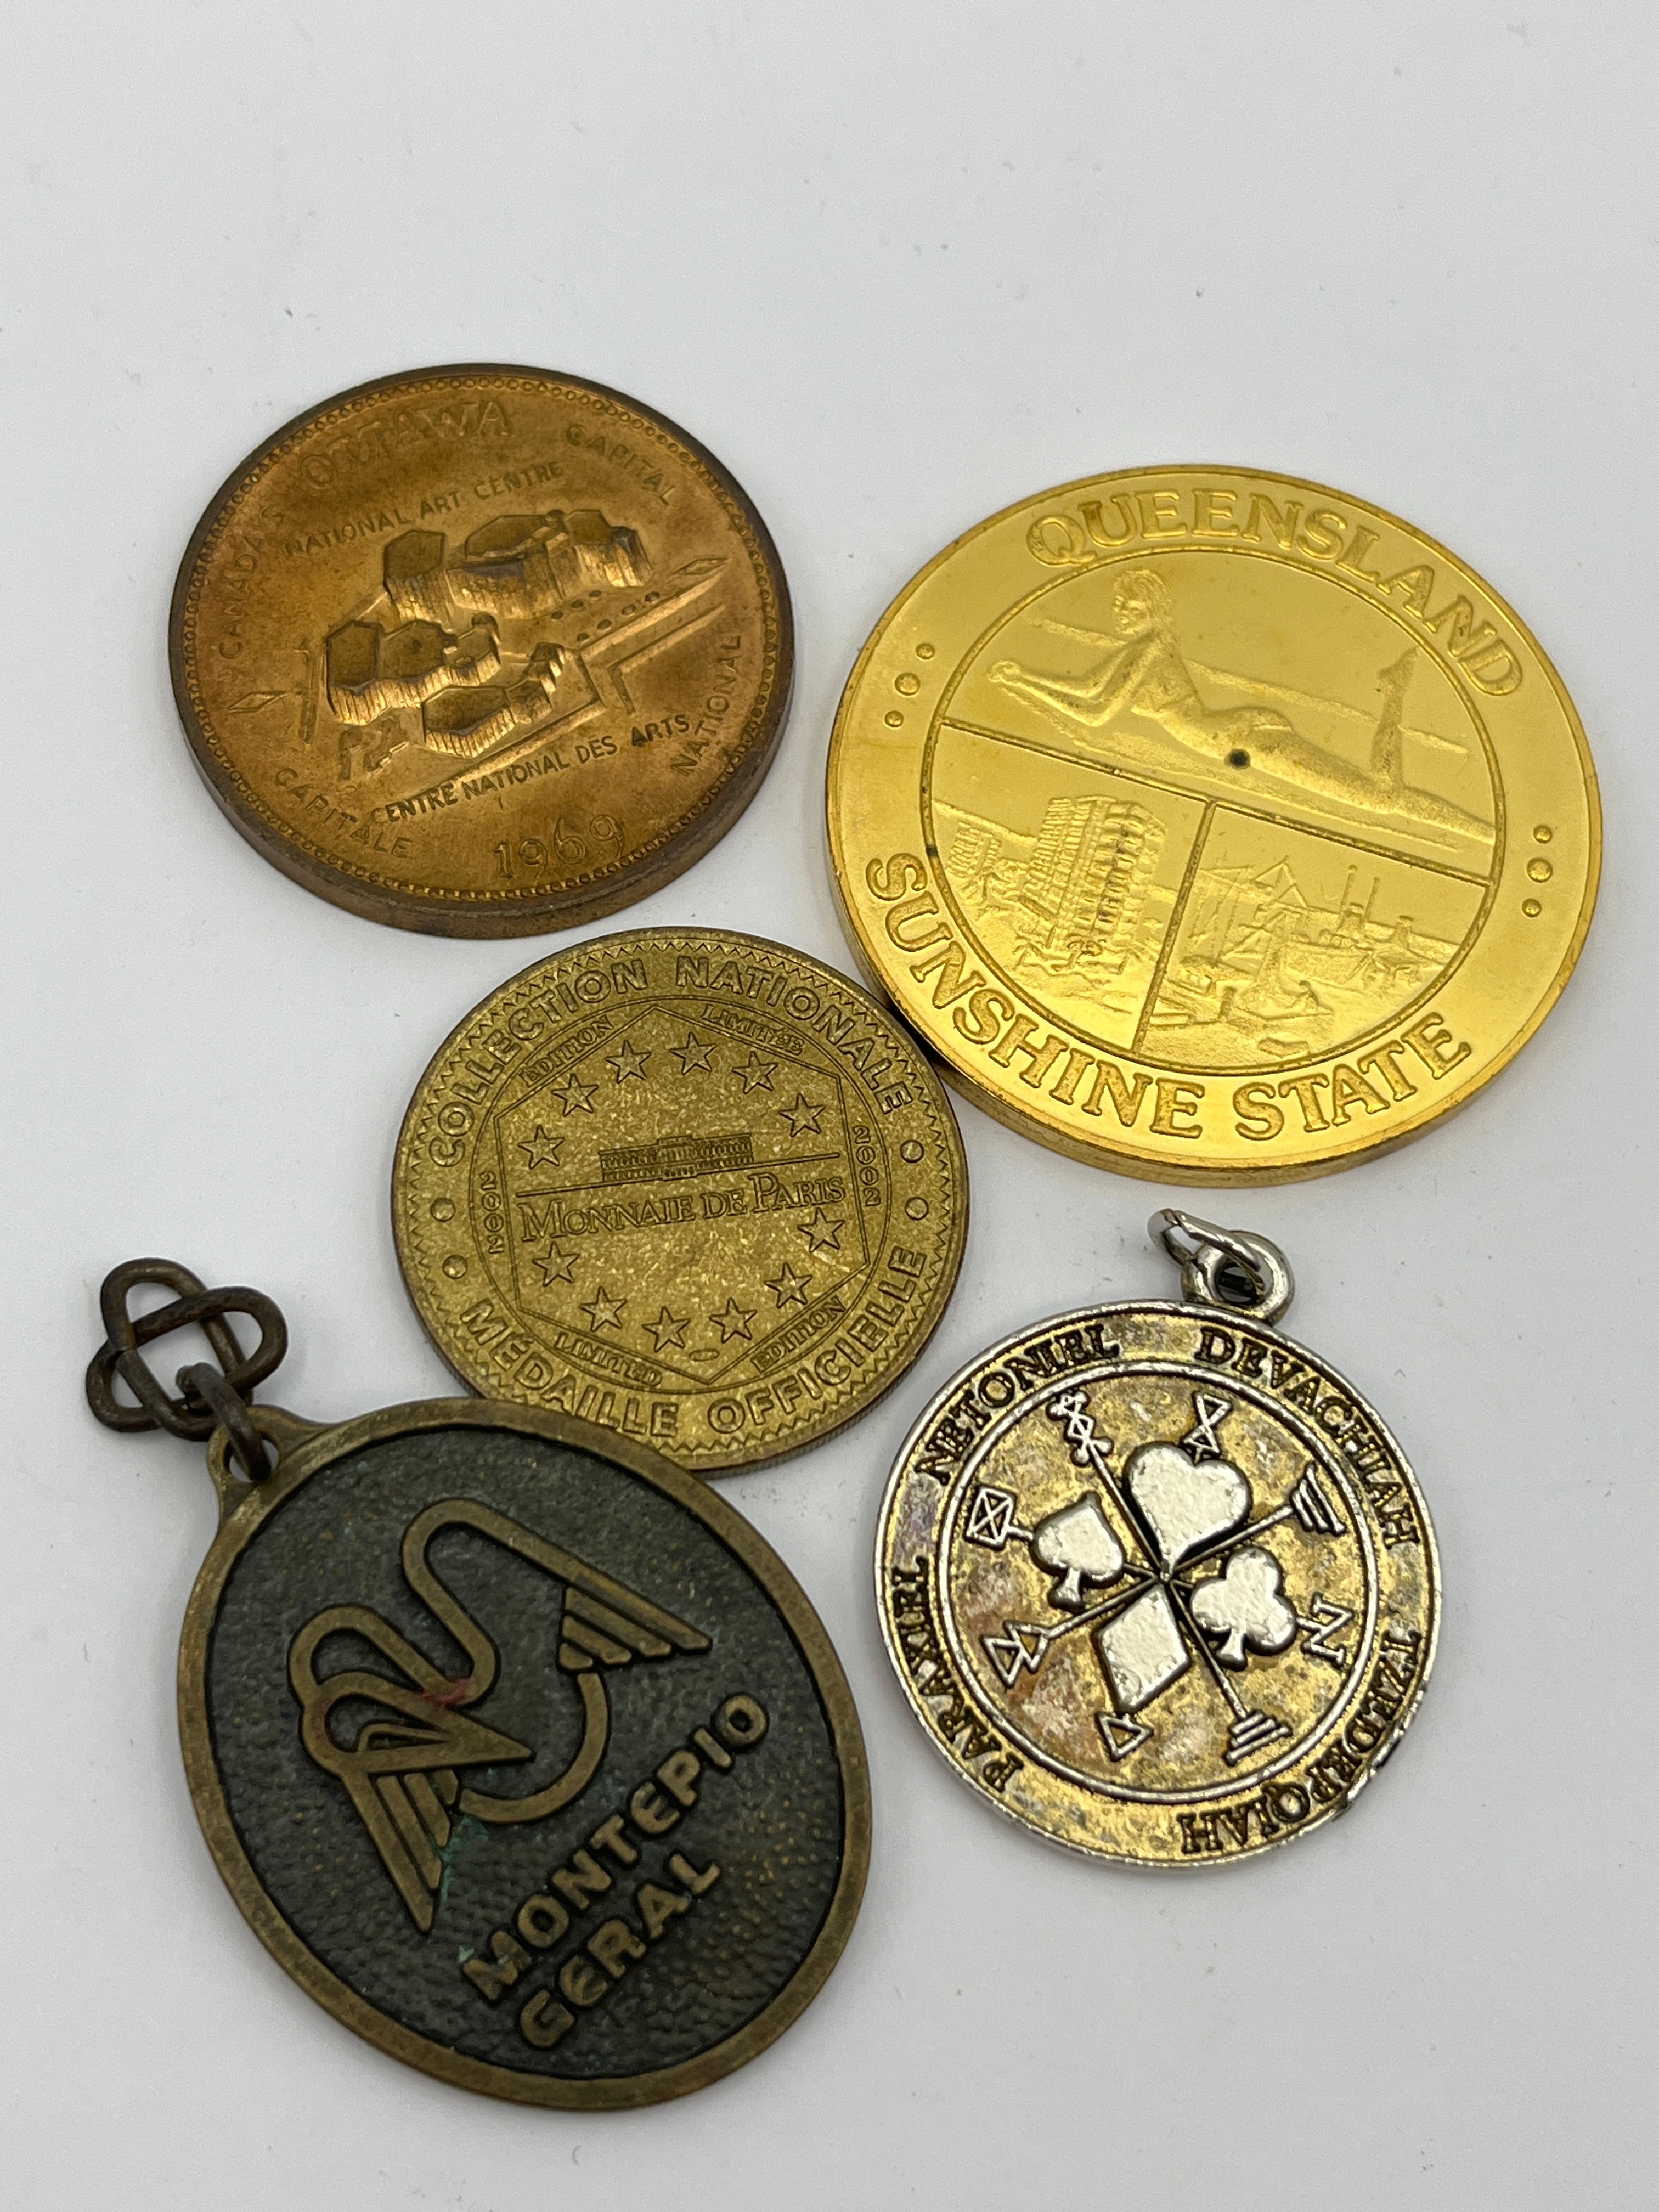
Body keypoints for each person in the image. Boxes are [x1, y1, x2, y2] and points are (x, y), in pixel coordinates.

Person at [990, 569, 1489, 842]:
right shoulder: (1140, 650)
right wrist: (1023, 677)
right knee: (1382, 794)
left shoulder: (1151, 649)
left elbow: (1095, 713)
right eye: (1119, 605)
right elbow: (1084, 687)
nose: (1121, 612)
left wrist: (1023, 686)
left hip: (1250, 743)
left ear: (1154, 610)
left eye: (1132, 605)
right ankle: (1399, 696)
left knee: (1380, 798)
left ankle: (1398, 697)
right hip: (1243, 736)